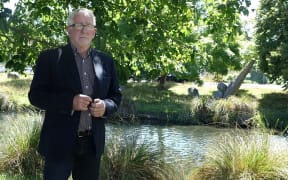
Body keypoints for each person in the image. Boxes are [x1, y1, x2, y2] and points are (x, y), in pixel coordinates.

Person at [28, 8, 122, 180]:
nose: (84, 30)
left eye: (88, 26)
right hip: (59, 142)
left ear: (94, 32)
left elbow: (116, 96)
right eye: (78, 25)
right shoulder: (50, 58)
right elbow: (36, 95)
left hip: (92, 144)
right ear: (68, 29)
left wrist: (105, 107)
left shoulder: (106, 61)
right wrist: (69, 102)